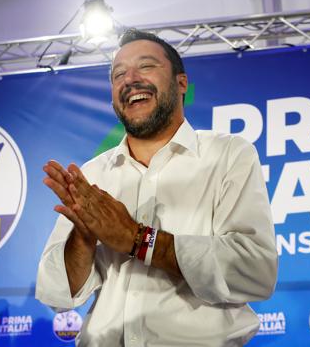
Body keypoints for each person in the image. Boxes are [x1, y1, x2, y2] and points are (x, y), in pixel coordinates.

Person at [36, 29, 277, 346]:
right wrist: (83, 237)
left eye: (146, 66)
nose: (129, 79)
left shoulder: (228, 154)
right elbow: (56, 293)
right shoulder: (93, 174)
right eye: (118, 74)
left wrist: (139, 240)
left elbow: (255, 271)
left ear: (181, 84)